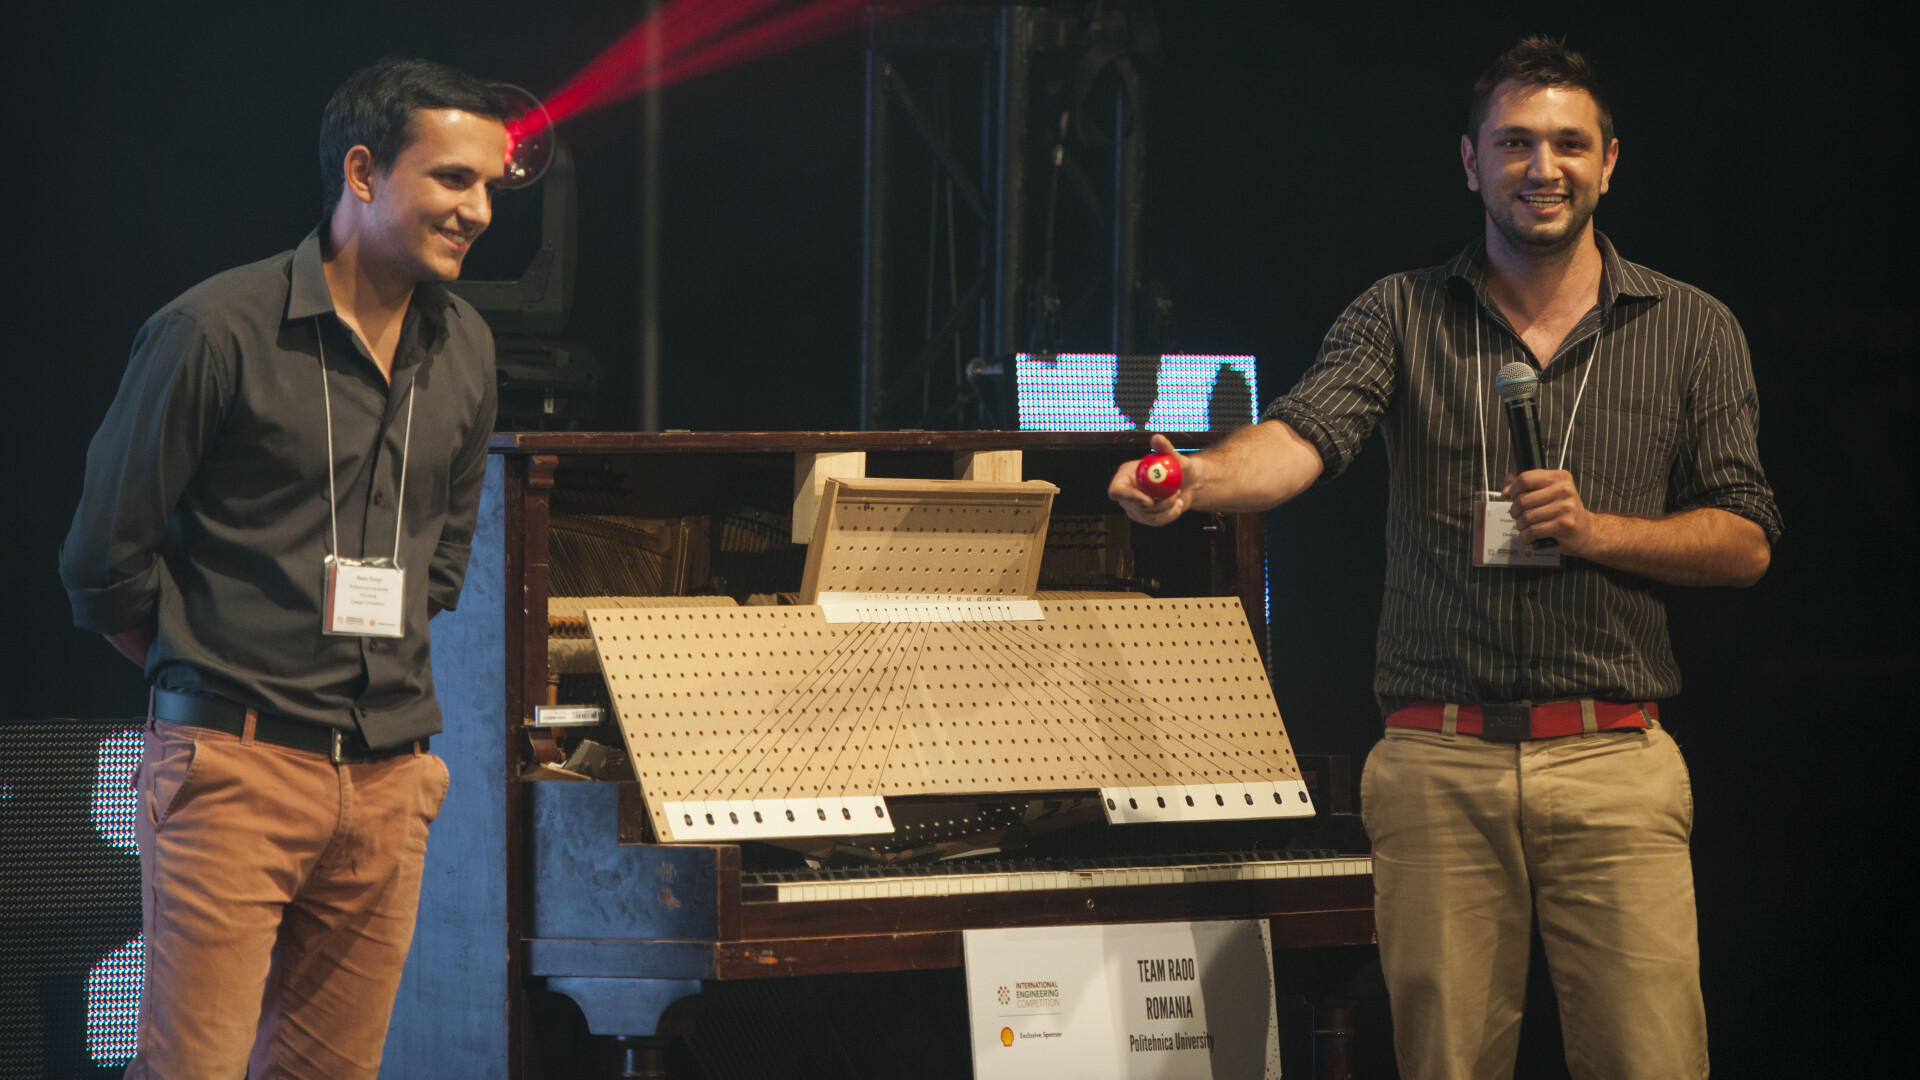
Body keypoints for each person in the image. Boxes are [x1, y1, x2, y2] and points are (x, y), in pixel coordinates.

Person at [1110, 37, 1777, 1080]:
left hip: (1612, 759)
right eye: (1514, 143)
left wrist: (1595, 529)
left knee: (1652, 1060)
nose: (1542, 167)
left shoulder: (1692, 327)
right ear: (1472, 162)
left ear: (1609, 162)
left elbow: (1745, 540)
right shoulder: (1400, 312)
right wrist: (1197, 478)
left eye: (1568, 144)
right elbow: (1302, 437)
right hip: (1438, 761)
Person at [59, 58, 504, 1078]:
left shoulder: (466, 347)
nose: (478, 210)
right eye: (452, 179)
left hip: (390, 779)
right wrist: (207, 682)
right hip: (234, 769)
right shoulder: (216, 328)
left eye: (487, 185)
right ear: (363, 172)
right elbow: (102, 561)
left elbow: (442, 561)